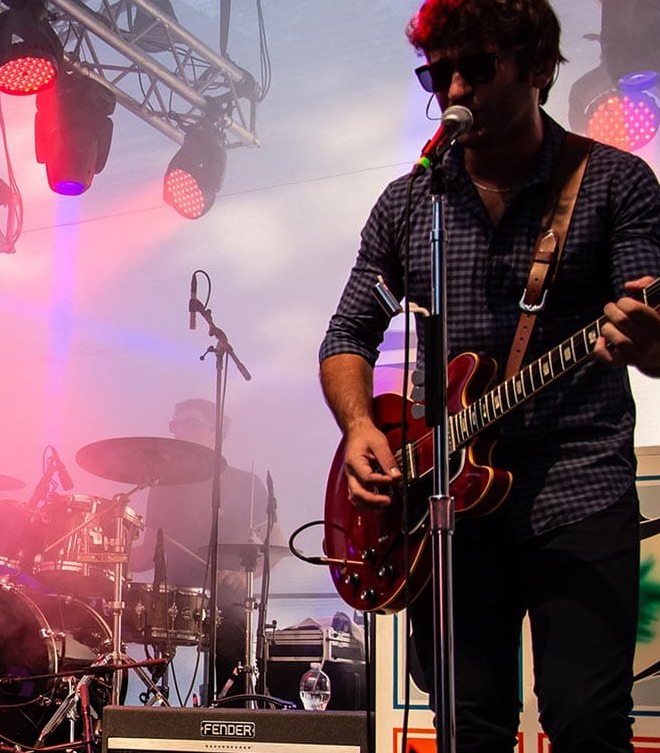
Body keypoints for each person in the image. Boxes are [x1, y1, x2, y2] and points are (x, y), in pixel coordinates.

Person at [319, 1, 660, 749]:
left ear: (536, 67)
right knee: (468, 727)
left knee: (585, 720)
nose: (453, 89)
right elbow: (347, 334)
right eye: (437, 73)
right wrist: (359, 425)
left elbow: (649, 325)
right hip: (445, 507)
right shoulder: (412, 201)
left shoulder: (613, 183)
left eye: (475, 67)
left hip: (578, 489)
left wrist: (647, 341)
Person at [128, 398, 273, 698]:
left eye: (190, 425)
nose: (179, 432)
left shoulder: (246, 484)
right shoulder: (163, 486)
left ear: (216, 432)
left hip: (224, 597)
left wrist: (243, 575)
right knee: (108, 621)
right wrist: (110, 559)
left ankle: (233, 712)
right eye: (175, 426)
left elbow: (275, 546)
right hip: (170, 596)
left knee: (234, 628)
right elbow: (146, 553)